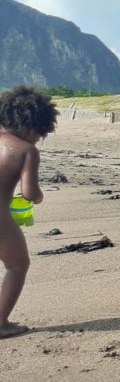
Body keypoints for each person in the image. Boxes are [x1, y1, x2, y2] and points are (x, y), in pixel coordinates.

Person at [0, 85, 58, 339]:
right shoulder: (26, 151)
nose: (38, 139)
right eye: (40, 134)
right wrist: (39, 197)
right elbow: (29, 193)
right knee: (17, 265)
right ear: (33, 126)